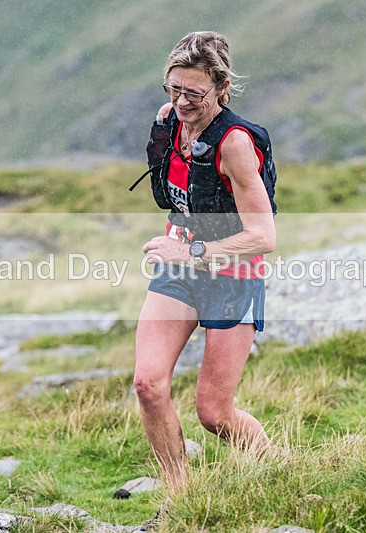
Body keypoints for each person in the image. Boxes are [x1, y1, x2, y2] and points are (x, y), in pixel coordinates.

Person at [133, 31, 277, 488]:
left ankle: (278, 472)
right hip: (180, 271)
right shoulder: (170, 120)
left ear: (219, 86)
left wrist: (190, 250)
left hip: (233, 274)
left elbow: (263, 236)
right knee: (148, 386)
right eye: (173, 89)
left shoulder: (234, 143)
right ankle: (180, 496)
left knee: (214, 414)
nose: (181, 101)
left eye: (193, 93)